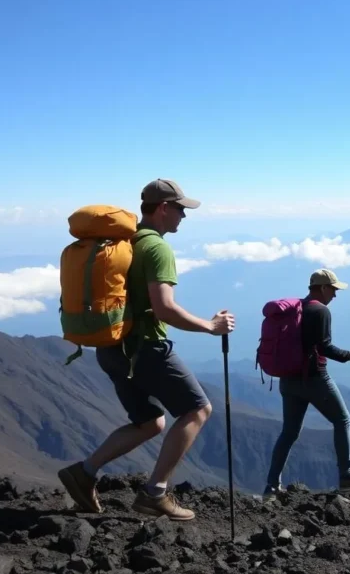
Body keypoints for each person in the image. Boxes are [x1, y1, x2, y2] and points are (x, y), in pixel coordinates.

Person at [57, 178, 235, 521]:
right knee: (198, 410)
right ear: (164, 208)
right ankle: (155, 494)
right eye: (181, 209)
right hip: (146, 349)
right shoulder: (157, 248)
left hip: (110, 347)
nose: (184, 216)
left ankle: (84, 472)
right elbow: (165, 308)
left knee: (149, 422)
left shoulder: (124, 241)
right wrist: (210, 327)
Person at [263, 268, 350, 497]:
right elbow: (324, 347)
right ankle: (347, 476)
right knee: (342, 419)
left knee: (289, 432)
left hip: (288, 380)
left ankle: (272, 486)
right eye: (333, 290)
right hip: (315, 379)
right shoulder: (320, 311)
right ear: (323, 288)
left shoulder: (298, 309)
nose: (335, 295)